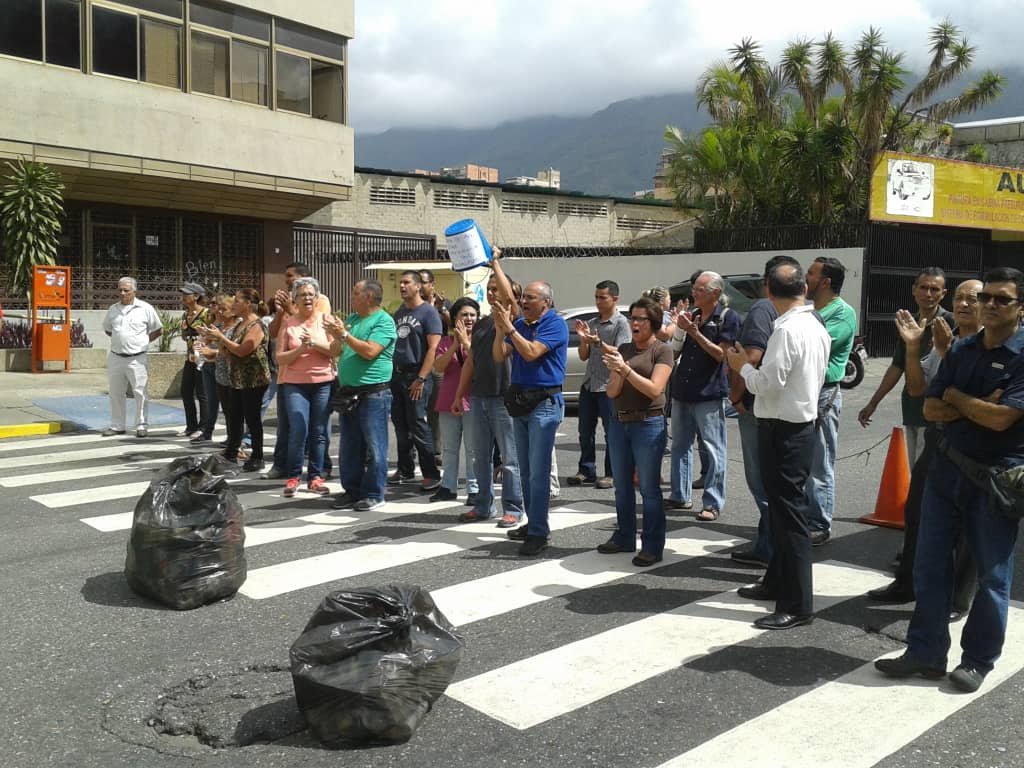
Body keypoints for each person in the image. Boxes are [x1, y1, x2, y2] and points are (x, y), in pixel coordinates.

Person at [876, 268, 1024, 693]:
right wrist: (969, 402)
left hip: (996, 478)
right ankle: (925, 652)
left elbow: (1002, 420)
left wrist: (957, 399)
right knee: (929, 564)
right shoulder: (961, 349)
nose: (990, 305)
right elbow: (930, 409)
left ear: (1020, 308)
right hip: (946, 469)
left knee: (993, 576)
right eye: (987, 298)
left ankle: (977, 661)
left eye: (1002, 299)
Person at [725, 261, 830, 630]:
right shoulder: (815, 325)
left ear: (769, 291)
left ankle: (798, 604)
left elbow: (767, 384)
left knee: (790, 520)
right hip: (797, 426)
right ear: (804, 287)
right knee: (784, 514)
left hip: (784, 429)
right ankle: (775, 583)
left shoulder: (787, 331)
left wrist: (741, 366)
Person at [867, 279, 982, 614]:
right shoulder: (945, 339)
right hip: (939, 439)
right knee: (917, 512)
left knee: (968, 527)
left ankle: (958, 599)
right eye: (960, 298)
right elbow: (920, 393)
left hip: (976, 449)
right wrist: (915, 348)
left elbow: (970, 404)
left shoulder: (989, 347)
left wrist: (951, 398)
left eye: (971, 299)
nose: (963, 305)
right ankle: (907, 583)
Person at [726, 255, 795, 568]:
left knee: (762, 482)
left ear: (767, 286)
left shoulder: (761, 309)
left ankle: (771, 547)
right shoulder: (807, 317)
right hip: (788, 413)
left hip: (757, 405)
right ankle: (774, 544)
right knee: (781, 483)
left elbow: (751, 357)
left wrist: (737, 396)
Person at [596, 295, 673, 566]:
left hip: (648, 423)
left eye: (641, 318)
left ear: (653, 323)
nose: (635, 322)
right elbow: (613, 392)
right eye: (633, 317)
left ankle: (652, 545)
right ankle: (624, 536)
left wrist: (625, 370)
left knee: (649, 489)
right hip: (620, 422)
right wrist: (618, 370)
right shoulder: (624, 349)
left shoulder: (662, 350)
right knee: (622, 486)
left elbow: (655, 389)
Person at [493, 279, 568, 556]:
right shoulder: (522, 325)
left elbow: (532, 352)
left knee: (538, 472)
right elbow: (499, 355)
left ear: (546, 302)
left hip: (544, 403)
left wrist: (510, 326)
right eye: (523, 297)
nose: (524, 302)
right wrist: (500, 328)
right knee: (525, 470)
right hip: (522, 401)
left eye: (531, 298)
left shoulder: (554, 324)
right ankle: (533, 522)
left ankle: (539, 532)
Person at [452, 253, 525, 527]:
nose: (493, 293)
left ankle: (513, 509)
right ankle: (483, 505)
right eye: (490, 289)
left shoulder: (514, 320)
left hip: (504, 398)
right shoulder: (483, 324)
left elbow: (509, 299)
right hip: (479, 396)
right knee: (478, 456)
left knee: (510, 459)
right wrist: (460, 394)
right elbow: (471, 361)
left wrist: (495, 263)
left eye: (498, 289)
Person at [859, 267, 954, 465]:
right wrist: (873, 403)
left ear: (943, 293)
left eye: (935, 289)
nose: (928, 294)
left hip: (939, 416)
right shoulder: (908, 323)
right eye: (923, 287)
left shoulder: (951, 323)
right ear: (914, 290)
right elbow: (897, 366)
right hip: (912, 410)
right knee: (916, 474)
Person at [666, 271, 739, 521]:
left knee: (713, 448)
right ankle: (679, 494)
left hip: (708, 392)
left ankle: (712, 502)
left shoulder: (727, 318)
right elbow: (675, 351)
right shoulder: (693, 316)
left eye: (699, 290)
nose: (693, 293)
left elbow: (722, 355)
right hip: (683, 389)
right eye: (694, 288)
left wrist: (695, 332)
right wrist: (681, 330)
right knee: (679, 445)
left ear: (715, 293)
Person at [327, 279, 396, 512]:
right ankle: (352, 490)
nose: (351, 297)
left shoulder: (384, 321)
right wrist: (336, 334)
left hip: (374, 393)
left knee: (375, 446)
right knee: (350, 445)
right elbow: (335, 351)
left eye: (355, 293)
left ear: (368, 296)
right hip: (350, 392)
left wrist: (345, 336)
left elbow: (370, 351)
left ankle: (374, 493)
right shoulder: (353, 319)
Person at [803, 257, 857, 546]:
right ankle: (802, 517)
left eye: (811, 273)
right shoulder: (810, 309)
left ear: (825, 281)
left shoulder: (843, 313)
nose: (805, 277)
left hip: (824, 394)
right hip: (803, 393)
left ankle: (819, 523)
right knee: (800, 462)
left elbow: (813, 342)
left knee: (820, 464)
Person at [263, 262, 332, 480]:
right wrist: (281, 311)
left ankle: (321, 468)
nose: (287, 281)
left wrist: (292, 308)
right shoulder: (287, 303)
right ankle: (283, 466)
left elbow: (311, 324)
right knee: (290, 426)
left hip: (320, 377)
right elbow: (273, 334)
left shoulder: (321, 301)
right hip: (288, 376)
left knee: (319, 428)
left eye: (290, 276)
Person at [275, 277, 340, 498]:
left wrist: (314, 343)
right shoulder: (289, 322)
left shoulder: (326, 319)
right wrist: (300, 348)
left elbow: (335, 350)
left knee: (319, 431)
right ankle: (293, 476)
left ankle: (315, 476)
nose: (307, 298)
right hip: (295, 384)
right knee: (298, 428)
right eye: (302, 295)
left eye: (311, 294)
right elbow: (280, 358)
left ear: (317, 297)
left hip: (323, 382)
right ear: (295, 299)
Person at [201, 289, 271, 471]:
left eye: (238, 301)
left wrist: (221, 338)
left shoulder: (257, 325)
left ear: (248, 303)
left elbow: (243, 350)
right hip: (236, 378)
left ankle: (257, 456)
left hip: (253, 380)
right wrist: (216, 341)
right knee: (234, 416)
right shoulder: (240, 324)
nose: (234, 304)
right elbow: (229, 352)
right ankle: (232, 451)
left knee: (252, 418)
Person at [570, 280, 631, 490]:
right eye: (596, 297)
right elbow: (583, 355)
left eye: (602, 297)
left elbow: (621, 353)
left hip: (608, 385)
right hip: (589, 383)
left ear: (615, 299)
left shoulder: (621, 323)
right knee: (584, 430)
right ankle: (586, 470)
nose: (598, 301)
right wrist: (584, 341)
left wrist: (598, 343)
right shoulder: (594, 323)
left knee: (611, 431)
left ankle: (611, 473)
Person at [389, 270, 443, 492]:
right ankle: (406, 467)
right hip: (398, 375)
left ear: (419, 286)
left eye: (407, 282)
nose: (402, 286)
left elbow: (433, 348)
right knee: (401, 425)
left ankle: (431, 472)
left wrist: (421, 378)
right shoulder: (399, 312)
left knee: (419, 424)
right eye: (400, 283)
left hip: (417, 374)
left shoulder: (428, 313)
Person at [432, 297, 480, 503]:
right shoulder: (444, 342)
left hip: (473, 400)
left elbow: (480, 364)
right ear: (454, 319)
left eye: (472, 315)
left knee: (473, 448)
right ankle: (448, 486)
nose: (469, 319)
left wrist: (467, 343)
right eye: (464, 315)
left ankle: (475, 488)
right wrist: (455, 344)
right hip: (448, 399)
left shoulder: (482, 339)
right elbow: (439, 367)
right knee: (449, 448)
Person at [101, 277, 162, 438]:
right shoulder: (113, 309)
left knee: (140, 392)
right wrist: (120, 339)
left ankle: (141, 424)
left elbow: (158, 329)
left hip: (137, 358)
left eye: (126, 290)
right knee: (116, 392)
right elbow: (108, 330)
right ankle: (117, 425)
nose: (122, 293)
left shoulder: (145, 308)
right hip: (116, 357)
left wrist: (143, 342)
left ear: (134, 291)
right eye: (120, 290)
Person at [193, 293, 233, 444]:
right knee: (212, 401)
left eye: (217, 305)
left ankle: (233, 437)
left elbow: (232, 349)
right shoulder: (214, 323)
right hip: (209, 365)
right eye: (212, 304)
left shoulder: (233, 325)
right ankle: (207, 432)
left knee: (228, 406)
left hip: (223, 367)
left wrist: (212, 350)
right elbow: (206, 342)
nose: (214, 308)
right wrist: (200, 345)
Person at [178, 282, 209, 439]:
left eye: (187, 294)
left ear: (196, 296)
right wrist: (185, 331)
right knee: (186, 391)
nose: (183, 297)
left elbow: (212, 334)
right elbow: (185, 337)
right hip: (190, 357)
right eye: (183, 294)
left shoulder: (206, 314)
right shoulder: (185, 315)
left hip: (203, 358)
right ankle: (191, 425)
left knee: (202, 393)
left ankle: (203, 427)